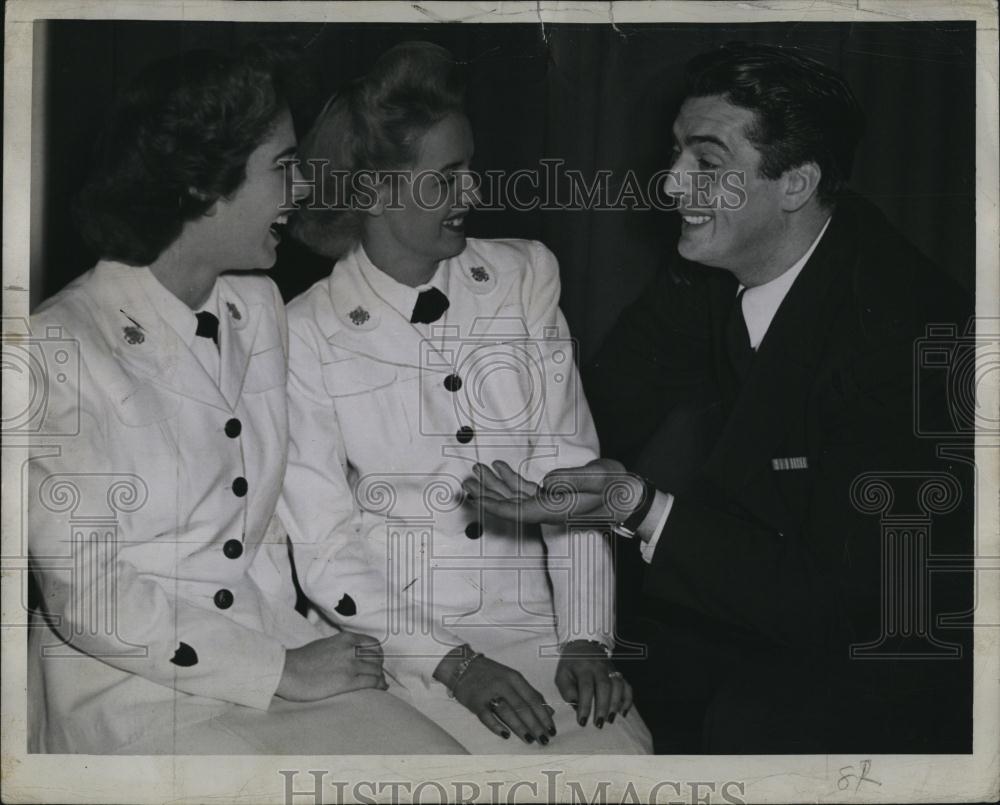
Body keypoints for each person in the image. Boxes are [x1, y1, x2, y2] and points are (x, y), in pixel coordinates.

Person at [467, 42, 973, 753]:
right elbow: (588, 415)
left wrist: (636, 506)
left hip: (895, 640)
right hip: (753, 589)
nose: (671, 184)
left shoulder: (911, 336)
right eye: (675, 154)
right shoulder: (708, 266)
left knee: (735, 721)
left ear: (795, 183)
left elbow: (844, 600)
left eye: (706, 164)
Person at [27, 45, 466, 755]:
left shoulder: (257, 307)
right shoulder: (56, 345)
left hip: (269, 645)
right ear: (204, 184)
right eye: (284, 167)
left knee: (440, 768)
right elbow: (89, 596)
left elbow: (260, 533)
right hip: (127, 689)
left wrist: (297, 646)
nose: (303, 187)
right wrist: (278, 670)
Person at [280, 41, 651, 754]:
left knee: (621, 764)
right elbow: (325, 549)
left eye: (470, 168)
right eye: (447, 177)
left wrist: (585, 636)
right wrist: (455, 664)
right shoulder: (304, 332)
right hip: (399, 651)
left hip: (540, 634)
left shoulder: (523, 276)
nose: (473, 194)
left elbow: (570, 471)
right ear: (374, 192)